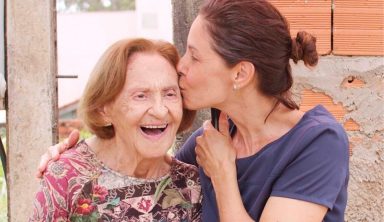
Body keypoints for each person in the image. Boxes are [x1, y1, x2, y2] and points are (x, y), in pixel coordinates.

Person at [37, 0, 349, 221]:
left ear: (240, 74)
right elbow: (150, 174)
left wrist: (224, 174)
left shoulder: (318, 142)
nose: (180, 67)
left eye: (195, 57)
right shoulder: (210, 139)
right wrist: (73, 160)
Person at [30, 38, 202, 221]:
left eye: (170, 94)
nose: (160, 111)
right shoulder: (66, 177)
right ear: (103, 108)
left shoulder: (190, 185)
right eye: (141, 96)